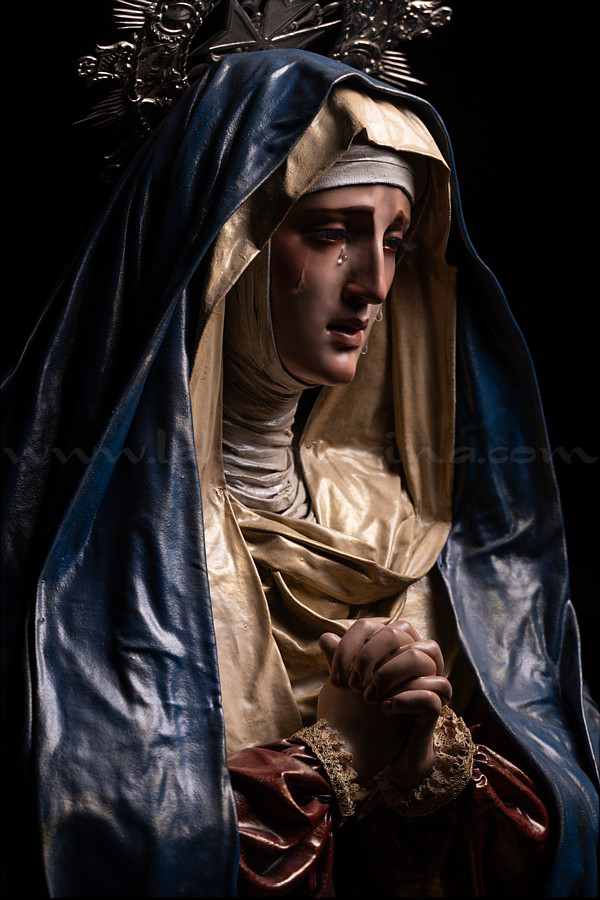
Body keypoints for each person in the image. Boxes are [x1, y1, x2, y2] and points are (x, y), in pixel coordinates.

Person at [1, 48, 598, 898]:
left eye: (394, 242)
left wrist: (425, 770)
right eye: (329, 234)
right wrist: (337, 755)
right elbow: (98, 859)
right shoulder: (110, 547)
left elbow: (559, 839)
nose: (375, 284)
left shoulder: (411, 529)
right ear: (229, 246)